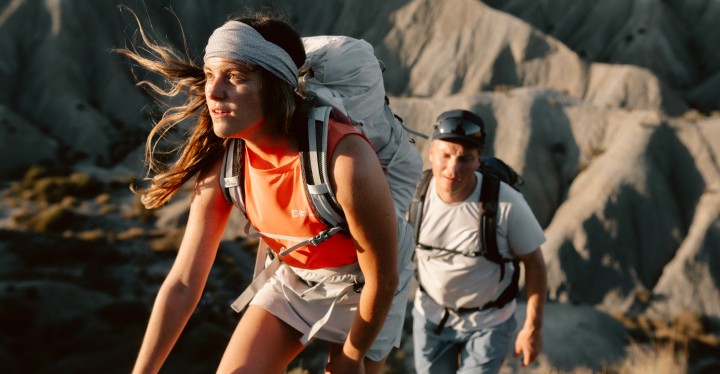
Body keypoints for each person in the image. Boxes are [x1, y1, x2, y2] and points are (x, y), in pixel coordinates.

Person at [119, 12, 414, 374]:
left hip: (366, 292)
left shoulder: (344, 160)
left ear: (274, 85)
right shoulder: (226, 167)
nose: (214, 91)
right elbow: (182, 284)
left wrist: (351, 359)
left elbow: (382, 279)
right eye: (210, 75)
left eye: (236, 77)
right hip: (294, 282)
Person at [411, 109, 548, 373]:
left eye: (465, 159)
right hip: (430, 317)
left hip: (489, 323)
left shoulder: (506, 204)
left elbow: (536, 264)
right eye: (446, 155)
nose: (453, 168)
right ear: (431, 154)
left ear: (478, 161)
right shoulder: (413, 197)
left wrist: (532, 328)